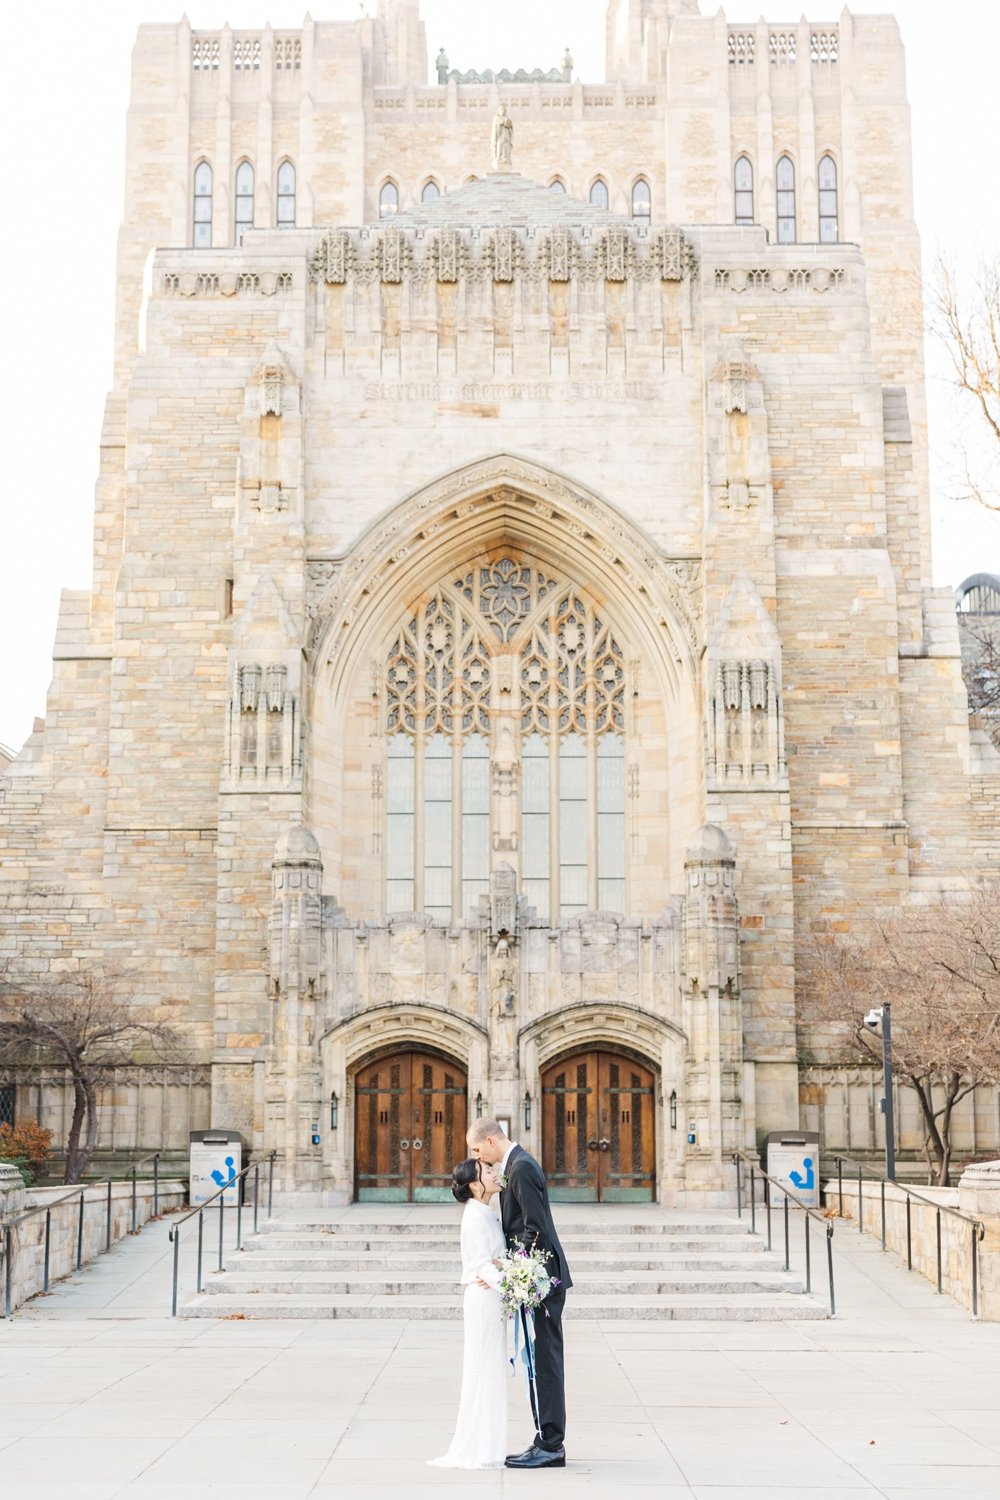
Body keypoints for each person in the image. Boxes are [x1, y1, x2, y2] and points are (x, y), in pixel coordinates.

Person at [468, 1118, 572, 1470]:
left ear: (492, 1139)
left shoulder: (522, 1167)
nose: (477, 1156)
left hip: (542, 1281)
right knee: (537, 1361)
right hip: (535, 1279)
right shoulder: (515, 1165)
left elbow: (535, 1229)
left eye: (478, 1149)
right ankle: (544, 1438)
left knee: (544, 1363)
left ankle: (550, 1443)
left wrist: (511, 1270)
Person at [428, 1158, 508, 1470]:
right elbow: (483, 1266)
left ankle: (489, 1444)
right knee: (483, 1369)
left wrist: (502, 1267)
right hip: (484, 1300)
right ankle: (478, 1447)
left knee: (491, 1368)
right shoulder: (475, 1217)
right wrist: (516, 1284)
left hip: (491, 1298)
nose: (494, 1173)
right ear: (475, 1184)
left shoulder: (487, 1212)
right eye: (487, 1171)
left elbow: (493, 1261)